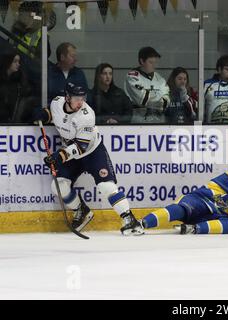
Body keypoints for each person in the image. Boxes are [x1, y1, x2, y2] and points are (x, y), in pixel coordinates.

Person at [33, 82, 144, 236]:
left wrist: (60, 156)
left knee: (106, 186)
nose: (80, 102)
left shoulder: (87, 115)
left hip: (92, 152)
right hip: (72, 154)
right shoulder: (57, 103)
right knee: (58, 185)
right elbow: (54, 115)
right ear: (67, 97)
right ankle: (81, 211)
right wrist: (44, 115)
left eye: (82, 98)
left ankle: (130, 219)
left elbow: (81, 147)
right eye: (77, 98)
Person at [124, 46, 170, 124]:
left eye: (155, 62)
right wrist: (158, 96)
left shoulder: (160, 79)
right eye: (151, 62)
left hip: (160, 124)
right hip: (139, 124)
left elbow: (166, 102)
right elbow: (142, 99)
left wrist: (149, 97)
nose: (154, 65)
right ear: (142, 61)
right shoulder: (132, 77)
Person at [0, 49, 34, 123]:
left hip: (12, 123)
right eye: (15, 61)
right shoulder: (3, 83)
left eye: (18, 61)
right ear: (7, 62)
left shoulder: (20, 82)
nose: (18, 64)